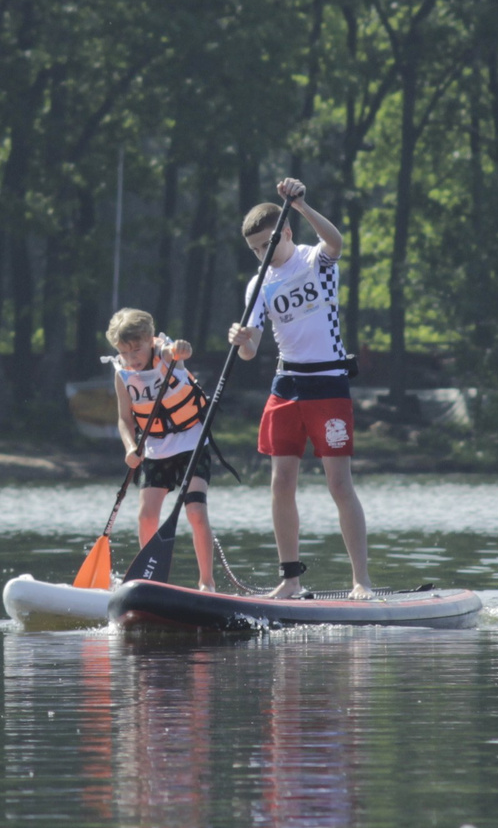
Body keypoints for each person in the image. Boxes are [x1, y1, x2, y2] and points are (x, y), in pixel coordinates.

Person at [229, 178, 371, 599]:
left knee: (339, 483)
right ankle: (290, 580)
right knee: (280, 482)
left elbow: (337, 241)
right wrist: (242, 340)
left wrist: (302, 205)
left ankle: (361, 580)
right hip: (286, 384)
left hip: (328, 384)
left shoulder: (315, 260)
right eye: (254, 249)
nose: (262, 254)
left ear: (286, 233)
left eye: (266, 244)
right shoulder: (258, 284)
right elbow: (251, 352)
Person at [106, 308, 217, 590]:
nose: (132, 358)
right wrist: (130, 447)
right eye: (125, 353)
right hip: (156, 448)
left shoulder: (165, 355)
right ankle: (150, 581)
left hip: (192, 443)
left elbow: (180, 351)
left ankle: (207, 583)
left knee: (195, 511)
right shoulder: (122, 374)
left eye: (137, 350)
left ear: (149, 339)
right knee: (146, 515)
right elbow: (124, 419)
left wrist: (182, 348)